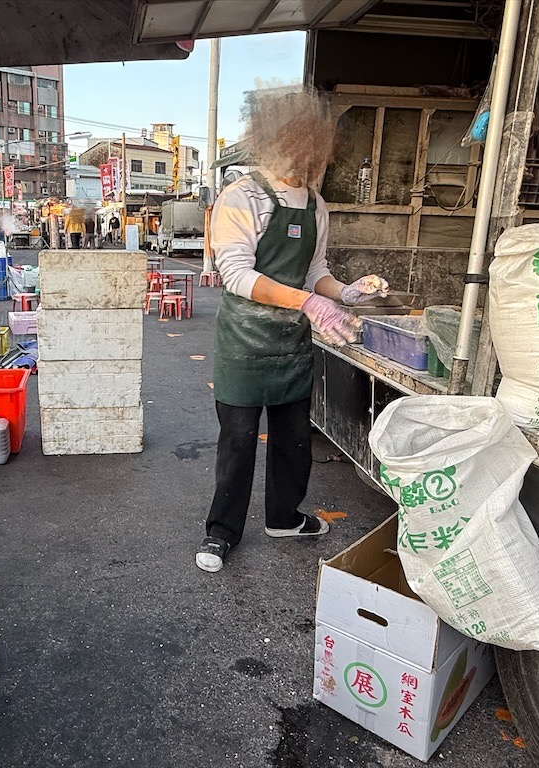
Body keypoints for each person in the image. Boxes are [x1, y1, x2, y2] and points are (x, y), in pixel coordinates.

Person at [196, 88, 389, 574]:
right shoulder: (240, 197)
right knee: (237, 443)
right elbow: (236, 274)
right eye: (295, 153)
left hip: (291, 346)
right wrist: (309, 303)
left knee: (293, 440)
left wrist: (345, 294)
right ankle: (221, 533)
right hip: (244, 342)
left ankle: (285, 517)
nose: (303, 166)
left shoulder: (317, 205)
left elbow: (314, 270)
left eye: (312, 158)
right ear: (270, 141)